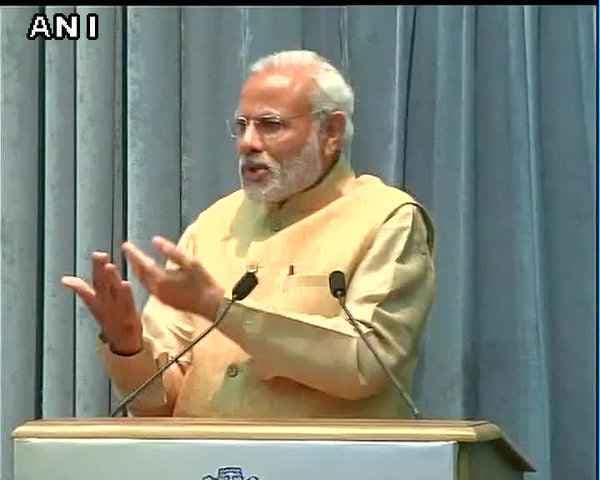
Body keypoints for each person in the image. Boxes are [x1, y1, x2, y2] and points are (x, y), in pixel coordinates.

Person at [62, 50, 436, 418]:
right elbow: (159, 403)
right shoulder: (214, 224)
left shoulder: (387, 218)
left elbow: (366, 364)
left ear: (331, 132)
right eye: (242, 126)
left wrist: (220, 309)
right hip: (198, 454)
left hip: (320, 454)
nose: (247, 143)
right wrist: (128, 347)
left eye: (270, 125)